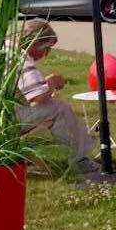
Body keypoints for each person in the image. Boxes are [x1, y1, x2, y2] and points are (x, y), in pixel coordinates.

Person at [15, 19, 98, 175]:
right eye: (46, 48)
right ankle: (80, 159)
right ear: (34, 43)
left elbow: (27, 90)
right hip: (9, 118)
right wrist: (52, 83)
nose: (47, 53)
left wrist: (44, 84)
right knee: (60, 108)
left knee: (54, 107)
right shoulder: (22, 59)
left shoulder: (8, 49)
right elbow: (37, 98)